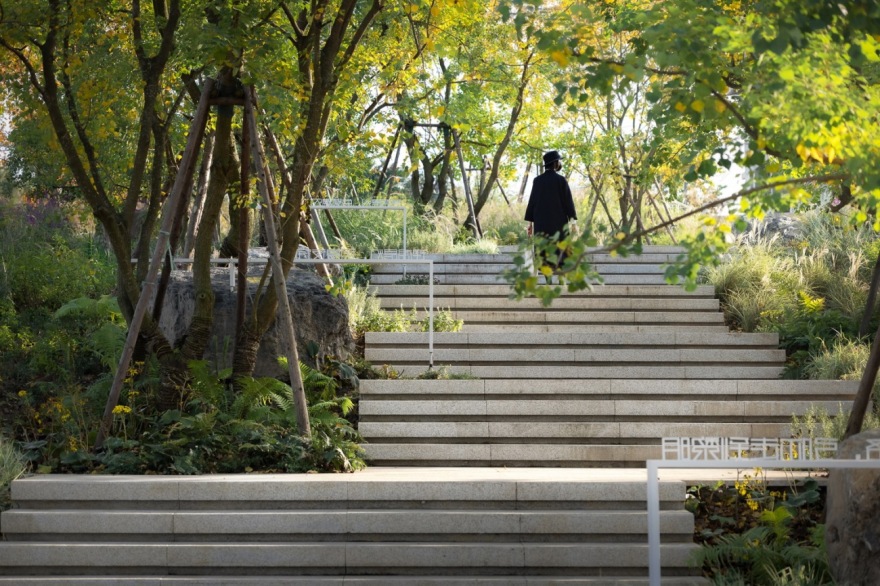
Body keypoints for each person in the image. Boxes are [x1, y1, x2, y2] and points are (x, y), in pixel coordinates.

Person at [524, 150, 577, 278]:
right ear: (555, 163)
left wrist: (530, 224)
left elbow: (532, 202)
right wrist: (573, 223)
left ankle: (548, 282)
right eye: (559, 161)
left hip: (541, 224)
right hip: (559, 224)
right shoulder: (561, 180)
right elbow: (568, 202)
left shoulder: (537, 181)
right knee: (560, 253)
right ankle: (561, 282)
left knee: (544, 253)